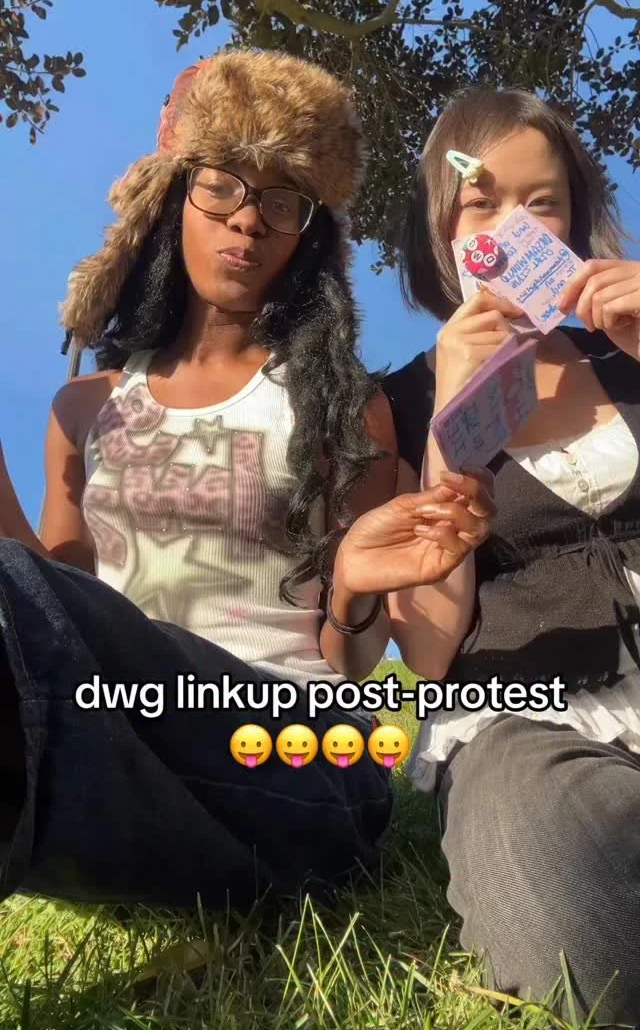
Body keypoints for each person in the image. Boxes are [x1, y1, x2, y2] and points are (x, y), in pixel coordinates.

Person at [0, 50, 494, 913]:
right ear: (174, 195)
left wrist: (354, 592)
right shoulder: (84, 408)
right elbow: (49, 609)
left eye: (282, 200)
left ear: (308, 233)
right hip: (124, 743)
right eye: (223, 185)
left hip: (300, 757)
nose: (248, 219)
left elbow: (354, 658)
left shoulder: (343, 407)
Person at [373, 86, 640, 1024]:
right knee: (577, 921)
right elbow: (427, 649)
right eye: (482, 203)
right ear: (444, 231)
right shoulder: (396, 405)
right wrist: (451, 434)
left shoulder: (624, 352)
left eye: (543, 203)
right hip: (529, 715)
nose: (513, 229)